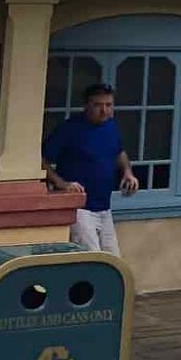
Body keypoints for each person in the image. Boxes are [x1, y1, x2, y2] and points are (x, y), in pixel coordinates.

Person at [42, 82, 138, 254]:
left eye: (108, 105)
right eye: (98, 105)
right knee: (92, 258)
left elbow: (119, 152)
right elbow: (42, 160)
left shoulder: (111, 127)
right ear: (87, 105)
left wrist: (128, 172)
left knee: (113, 260)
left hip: (104, 207)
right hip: (80, 208)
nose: (104, 110)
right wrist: (62, 183)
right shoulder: (70, 128)